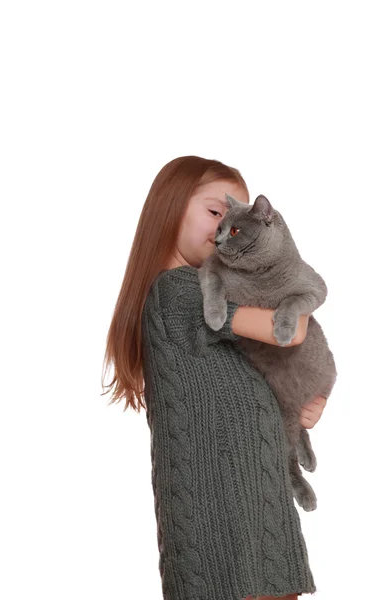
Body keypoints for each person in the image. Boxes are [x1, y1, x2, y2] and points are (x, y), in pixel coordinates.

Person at [102, 155, 327, 600]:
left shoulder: (207, 294)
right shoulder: (179, 289)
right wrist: (283, 267)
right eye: (215, 212)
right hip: (221, 528)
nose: (228, 228)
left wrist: (299, 404)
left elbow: (249, 383)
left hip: (254, 507)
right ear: (170, 208)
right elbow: (290, 330)